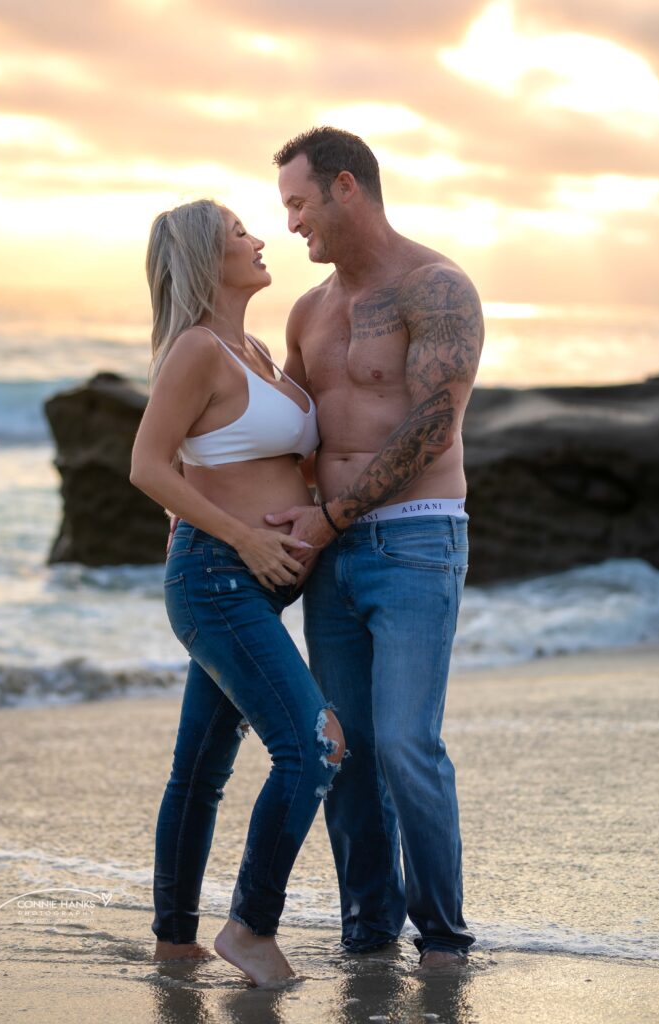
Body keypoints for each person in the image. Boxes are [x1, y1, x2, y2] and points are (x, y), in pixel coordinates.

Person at [265, 127, 484, 965]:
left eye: (299, 203)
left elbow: (433, 424)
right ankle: (367, 929)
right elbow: (287, 435)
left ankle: (442, 935)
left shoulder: (436, 287)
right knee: (344, 750)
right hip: (332, 551)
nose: (290, 223)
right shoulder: (308, 311)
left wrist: (333, 515)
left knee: (403, 743)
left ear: (346, 187)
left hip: (416, 539)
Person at [129, 198, 347, 987]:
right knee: (314, 748)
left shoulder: (252, 347)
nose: (259, 240)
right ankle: (251, 928)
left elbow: (248, 461)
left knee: (199, 770)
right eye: (238, 234)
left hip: (250, 590)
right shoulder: (196, 349)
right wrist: (245, 537)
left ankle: (174, 940)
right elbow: (147, 465)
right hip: (218, 579)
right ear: (204, 259)